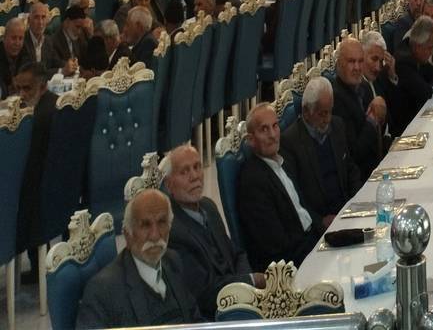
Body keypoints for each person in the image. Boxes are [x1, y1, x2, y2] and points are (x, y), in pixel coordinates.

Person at [76, 189, 202, 328]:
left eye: (161, 222)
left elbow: (195, 320)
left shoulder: (173, 261)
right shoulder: (103, 291)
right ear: (128, 235)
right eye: (145, 225)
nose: (155, 235)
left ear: (170, 227)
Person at [161, 144, 259, 320]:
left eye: (197, 167)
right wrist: (251, 281)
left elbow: (237, 254)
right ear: (169, 184)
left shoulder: (208, 206)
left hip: (242, 298)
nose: (194, 176)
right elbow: (205, 293)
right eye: (184, 172)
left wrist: (247, 283)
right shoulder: (173, 231)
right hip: (216, 315)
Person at [237, 104, 327, 271]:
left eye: (275, 126)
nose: (272, 135)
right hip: (291, 264)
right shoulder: (253, 181)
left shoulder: (283, 161)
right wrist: (320, 250)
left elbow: (302, 209)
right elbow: (275, 246)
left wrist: (324, 228)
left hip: (312, 242)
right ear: (251, 140)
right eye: (264, 129)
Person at [280, 78, 363, 221]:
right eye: (322, 114)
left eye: (330, 112)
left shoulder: (337, 125)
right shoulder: (290, 142)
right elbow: (295, 197)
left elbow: (350, 168)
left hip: (347, 209)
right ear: (306, 111)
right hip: (320, 220)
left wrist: (357, 199)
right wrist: (319, 221)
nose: (327, 119)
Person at [14, 62, 55, 282]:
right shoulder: (56, 104)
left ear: (43, 86)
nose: (21, 95)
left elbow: (28, 166)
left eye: (27, 88)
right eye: (18, 88)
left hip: (40, 195)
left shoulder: (39, 119)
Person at [331, 38, 387, 173]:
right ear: (339, 64)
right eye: (351, 61)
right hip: (361, 175)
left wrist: (381, 112)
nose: (357, 67)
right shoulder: (336, 98)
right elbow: (355, 153)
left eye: (360, 61)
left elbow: (380, 133)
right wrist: (373, 119)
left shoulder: (363, 86)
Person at [22, 1, 59, 70]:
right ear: (29, 20)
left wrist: (68, 65)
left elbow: (56, 62)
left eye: (43, 17)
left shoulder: (49, 41)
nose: (40, 22)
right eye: (36, 17)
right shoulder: (22, 41)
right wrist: (62, 70)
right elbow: (32, 71)